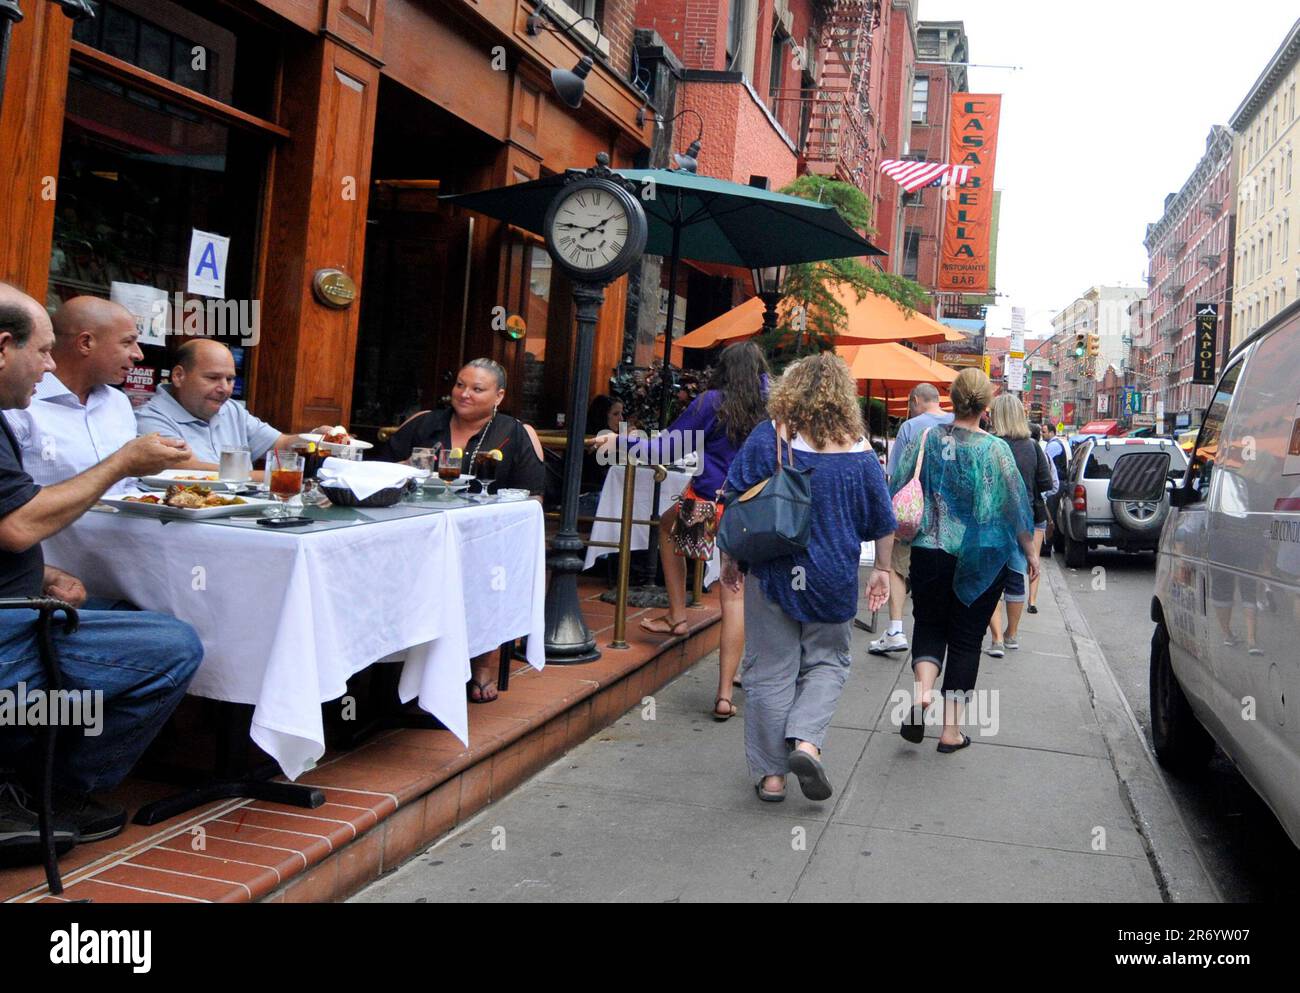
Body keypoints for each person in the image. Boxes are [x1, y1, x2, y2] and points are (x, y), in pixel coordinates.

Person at [0, 285, 204, 849]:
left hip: (26, 597)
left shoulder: (99, 405)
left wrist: (41, 575)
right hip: (9, 623)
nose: (47, 365)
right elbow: (16, 525)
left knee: (133, 611)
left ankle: (26, 776)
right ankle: (50, 789)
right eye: (42, 352)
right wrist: (121, 463)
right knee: (175, 644)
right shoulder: (8, 419)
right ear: (2, 348)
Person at [722, 353, 893, 802]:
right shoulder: (860, 452)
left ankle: (772, 777)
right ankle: (806, 743)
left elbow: (736, 498)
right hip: (834, 577)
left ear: (789, 390)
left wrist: (730, 559)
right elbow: (883, 521)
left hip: (775, 572)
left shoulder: (769, 439)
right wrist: (882, 571)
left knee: (770, 672)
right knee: (828, 663)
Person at [595, 341, 769, 722]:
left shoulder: (711, 402)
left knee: (667, 527)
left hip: (707, 504)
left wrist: (620, 441)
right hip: (754, 510)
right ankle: (725, 692)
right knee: (735, 598)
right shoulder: (772, 402)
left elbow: (666, 450)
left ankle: (677, 614)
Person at [380, 358, 545, 702]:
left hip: (486, 540)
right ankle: (403, 655)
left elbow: (533, 497)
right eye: (460, 385)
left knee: (491, 571)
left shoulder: (514, 433)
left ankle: (483, 659)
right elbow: (381, 470)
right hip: (421, 531)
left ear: (499, 395)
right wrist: (408, 467)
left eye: (477, 388)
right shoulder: (426, 424)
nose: (464, 394)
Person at [892, 368, 1038, 753]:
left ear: (951, 399)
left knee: (928, 624)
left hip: (929, 551)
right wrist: (1030, 552)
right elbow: (1016, 508)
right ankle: (950, 731)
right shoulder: (996, 450)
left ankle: (923, 692)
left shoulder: (926, 438)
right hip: (979, 560)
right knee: (965, 640)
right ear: (986, 405)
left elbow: (898, 485)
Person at [4, 297, 142, 494]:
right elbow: (12, 504)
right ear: (86, 343)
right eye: (128, 342)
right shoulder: (16, 405)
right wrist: (121, 463)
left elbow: (128, 489)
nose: (138, 354)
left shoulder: (118, 402)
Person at [135, 339, 332, 468]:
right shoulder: (150, 417)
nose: (225, 388)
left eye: (230, 379)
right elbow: (189, 470)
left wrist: (315, 438)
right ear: (179, 376)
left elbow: (280, 443)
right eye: (213, 378)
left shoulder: (231, 409)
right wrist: (276, 479)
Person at [870, 383, 953, 656]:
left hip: (913, 515)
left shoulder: (910, 428)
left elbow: (895, 477)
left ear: (916, 400)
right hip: (950, 517)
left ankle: (895, 629)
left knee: (896, 566)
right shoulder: (957, 423)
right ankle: (941, 628)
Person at [985, 397, 1053, 655]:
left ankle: (996, 640)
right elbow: (1045, 485)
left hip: (991, 519)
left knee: (990, 578)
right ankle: (1011, 635)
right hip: (1024, 520)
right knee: (1016, 577)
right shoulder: (1033, 447)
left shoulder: (990, 445)